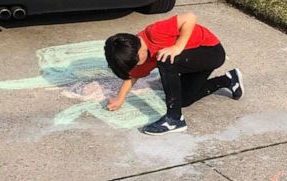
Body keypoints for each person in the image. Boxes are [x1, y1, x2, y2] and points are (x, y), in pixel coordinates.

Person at [104, 13, 243, 135]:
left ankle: (174, 119)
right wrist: (120, 98)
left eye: (134, 64)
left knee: (165, 61)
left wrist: (178, 47)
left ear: (139, 53)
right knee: (183, 100)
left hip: (211, 51)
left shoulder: (155, 32)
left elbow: (190, 17)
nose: (134, 67)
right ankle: (228, 79)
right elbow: (133, 75)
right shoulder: (137, 55)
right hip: (191, 62)